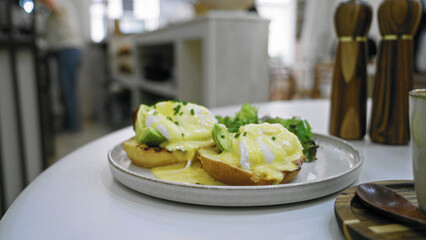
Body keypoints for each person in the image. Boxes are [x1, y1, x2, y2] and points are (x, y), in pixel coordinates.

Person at [39, 0, 83, 132]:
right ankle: (69, 124)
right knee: (65, 90)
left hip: (68, 50)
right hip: (65, 50)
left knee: (67, 90)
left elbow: (51, 4)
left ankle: (73, 126)